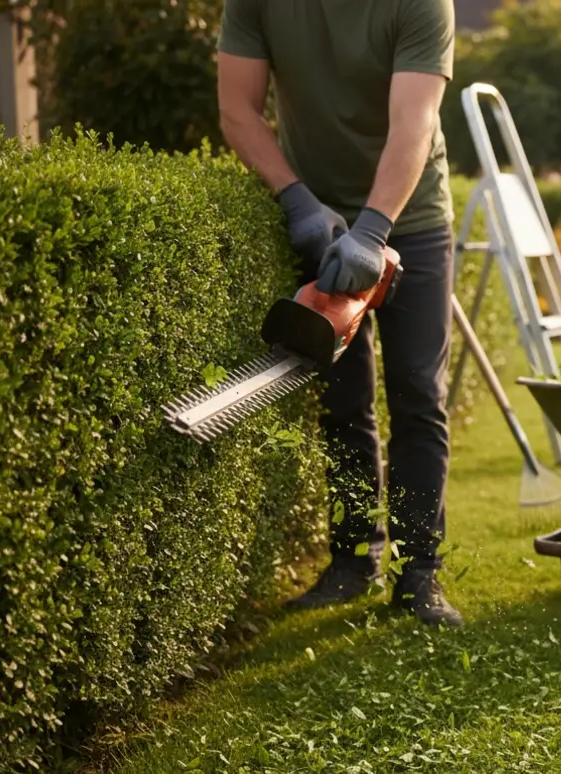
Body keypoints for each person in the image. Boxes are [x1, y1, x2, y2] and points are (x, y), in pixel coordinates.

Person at [215, 0, 462, 627]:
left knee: (416, 394)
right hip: (317, 217)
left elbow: (415, 122)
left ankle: (418, 572)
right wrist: (296, 200)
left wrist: (374, 231)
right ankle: (354, 561)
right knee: (342, 400)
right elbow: (237, 110)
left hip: (413, 217)